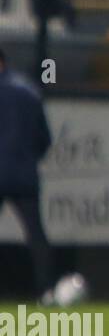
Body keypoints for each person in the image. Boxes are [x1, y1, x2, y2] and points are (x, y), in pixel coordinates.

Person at [0, 46, 53, 299]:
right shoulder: (31, 90)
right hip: (24, 174)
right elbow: (45, 138)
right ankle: (46, 290)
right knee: (36, 235)